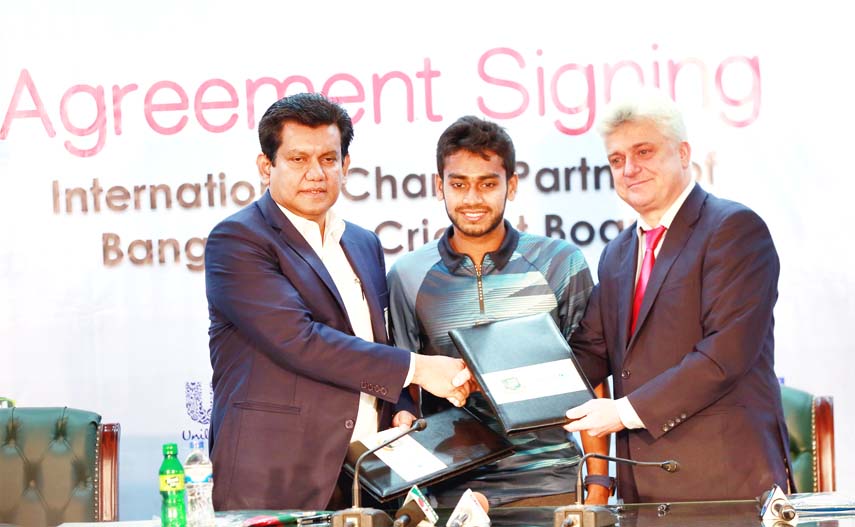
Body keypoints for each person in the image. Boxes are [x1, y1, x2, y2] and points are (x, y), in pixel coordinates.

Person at [204, 93, 472, 511]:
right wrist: (417, 370)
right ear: (265, 167)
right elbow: (299, 340)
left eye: (328, 159)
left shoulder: (362, 243)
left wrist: (399, 405)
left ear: (345, 167)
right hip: (276, 479)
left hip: (364, 477)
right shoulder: (239, 240)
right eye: (297, 160)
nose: (315, 173)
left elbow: (374, 338)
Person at [563, 89, 793, 502]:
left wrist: (621, 412)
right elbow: (588, 354)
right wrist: (498, 380)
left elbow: (723, 357)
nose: (630, 168)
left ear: (683, 153)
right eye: (617, 160)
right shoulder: (617, 254)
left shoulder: (734, 230)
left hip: (724, 484)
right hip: (643, 487)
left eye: (644, 152)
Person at [387, 116, 611, 508]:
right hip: (451, 491)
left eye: (488, 184)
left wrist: (598, 487)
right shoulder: (408, 275)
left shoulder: (560, 263)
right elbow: (406, 388)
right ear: (439, 186)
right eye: (459, 184)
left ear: (512, 184)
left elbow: (590, 379)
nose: (473, 199)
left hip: (551, 483)